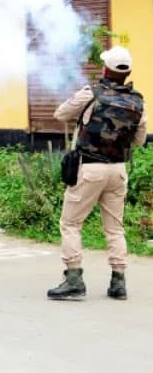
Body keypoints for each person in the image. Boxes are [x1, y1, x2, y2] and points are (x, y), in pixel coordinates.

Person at [48, 46, 146, 301]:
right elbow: (139, 140)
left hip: (90, 168)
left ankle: (73, 280)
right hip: (118, 170)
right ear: (128, 73)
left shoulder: (91, 93)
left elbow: (60, 114)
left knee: (70, 224)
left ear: (106, 70)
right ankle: (118, 282)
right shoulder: (138, 101)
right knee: (114, 229)